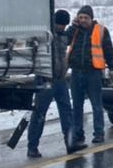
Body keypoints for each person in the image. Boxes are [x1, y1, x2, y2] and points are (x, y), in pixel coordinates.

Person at [26, 9, 76, 158]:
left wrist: (75, 25)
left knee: (67, 112)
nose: (61, 27)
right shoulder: (46, 35)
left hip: (60, 80)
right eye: (59, 24)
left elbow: (71, 34)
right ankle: (32, 147)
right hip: (45, 79)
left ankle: (70, 144)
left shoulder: (64, 35)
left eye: (64, 25)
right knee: (39, 114)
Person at [66, 5, 113, 149]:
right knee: (77, 105)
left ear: (91, 18)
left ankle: (98, 133)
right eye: (80, 17)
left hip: (93, 72)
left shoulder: (100, 30)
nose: (83, 20)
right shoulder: (74, 30)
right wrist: (72, 26)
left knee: (96, 105)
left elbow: (108, 50)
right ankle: (78, 133)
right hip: (76, 72)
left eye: (85, 18)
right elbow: (65, 40)